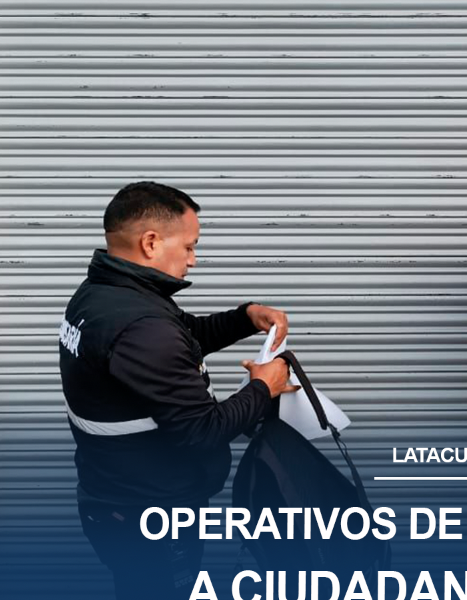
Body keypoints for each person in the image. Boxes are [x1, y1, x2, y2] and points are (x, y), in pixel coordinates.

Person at [58, 181, 298, 599]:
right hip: (148, 516)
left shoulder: (104, 295)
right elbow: (202, 430)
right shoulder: (140, 324)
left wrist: (245, 317)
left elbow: (182, 336)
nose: (193, 259)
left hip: (119, 499)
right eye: (189, 246)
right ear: (151, 242)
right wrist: (265, 385)